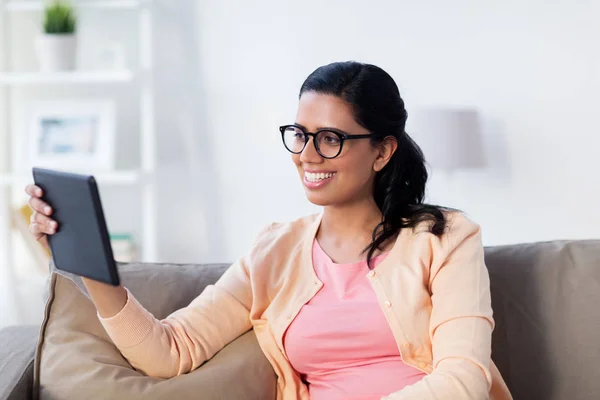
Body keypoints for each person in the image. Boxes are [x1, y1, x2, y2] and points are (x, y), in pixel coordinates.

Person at [25, 61, 512, 400]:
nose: (307, 155)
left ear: (382, 152)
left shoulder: (446, 238)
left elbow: (463, 380)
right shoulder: (274, 253)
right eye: (300, 134)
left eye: (331, 139)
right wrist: (89, 262)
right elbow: (169, 352)